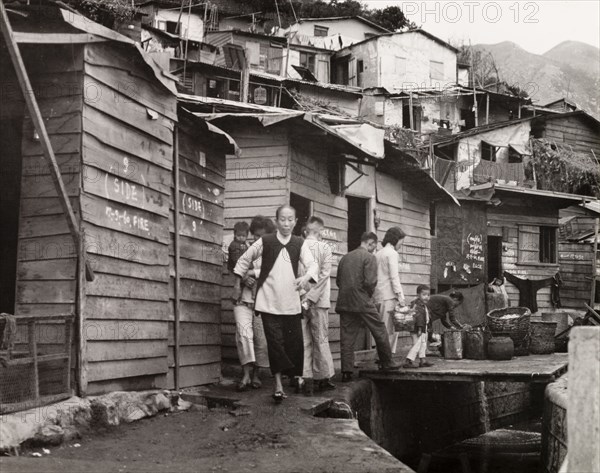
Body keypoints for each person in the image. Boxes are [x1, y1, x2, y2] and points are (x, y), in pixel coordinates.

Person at [233, 205, 317, 403]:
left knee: (294, 344)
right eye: (282, 219)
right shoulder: (266, 241)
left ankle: (294, 377)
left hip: (291, 303)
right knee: (275, 344)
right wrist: (237, 284)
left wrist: (305, 278)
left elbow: (313, 265)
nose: (286, 223)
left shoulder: (299, 243)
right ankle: (278, 385)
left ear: (296, 222)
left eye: (290, 220)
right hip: (268, 302)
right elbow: (244, 260)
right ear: (277, 221)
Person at [336, 232, 401, 382]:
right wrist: (367, 295)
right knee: (380, 330)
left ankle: (346, 371)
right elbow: (371, 282)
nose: (374, 249)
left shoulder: (345, 257)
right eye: (373, 246)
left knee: (347, 338)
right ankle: (387, 363)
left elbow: (339, 281)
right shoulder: (369, 257)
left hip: (345, 302)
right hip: (362, 301)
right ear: (370, 243)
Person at [231, 217, 274, 392]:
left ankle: (256, 374)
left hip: (263, 303)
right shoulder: (245, 249)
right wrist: (242, 279)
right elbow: (235, 268)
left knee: (261, 341)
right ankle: (246, 374)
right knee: (243, 335)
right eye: (255, 236)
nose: (257, 240)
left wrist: (251, 273)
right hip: (243, 301)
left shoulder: (273, 252)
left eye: (261, 237)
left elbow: (271, 271)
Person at [299, 216, 336, 396]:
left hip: (299, 299)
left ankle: (305, 378)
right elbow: (323, 276)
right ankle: (322, 378)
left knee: (304, 339)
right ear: (320, 231)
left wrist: (304, 298)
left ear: (306, 231)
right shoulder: (325, 248)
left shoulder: (298, 246)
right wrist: (312, 298)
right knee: (320, 338)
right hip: (319, 301)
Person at [374, 227, 406, 354]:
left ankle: (381, 356)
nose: (400, 245)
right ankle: (386, 357)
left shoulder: (378, 253)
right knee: (389, 329)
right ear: (395, 240)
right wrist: (401, 297)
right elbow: (394, 277)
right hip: (389, 296)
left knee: (381, 328)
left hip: (378, 295)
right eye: (401, 242)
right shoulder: (392, 254)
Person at [403, 285, 434, 368]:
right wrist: (420, 328)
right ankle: (408, 360)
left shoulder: (424, 305)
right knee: (417, 344)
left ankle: (422, 360)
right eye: (424, 295)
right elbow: (419, 318)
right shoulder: (418, 305)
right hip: (418, 329)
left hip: (424, 328)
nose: (426, 297)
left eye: (428, 295)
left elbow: (426, 317)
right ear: (418, 295)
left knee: (423, 344)